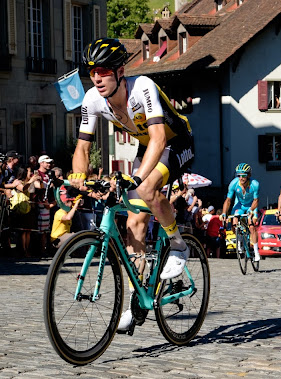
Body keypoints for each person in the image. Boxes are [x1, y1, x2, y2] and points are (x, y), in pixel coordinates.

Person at [72, 38, 195, 333]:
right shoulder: (92, 100)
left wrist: (139, 178)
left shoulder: (142, 88)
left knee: (147, 189)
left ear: (120, 71)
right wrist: (78, 176)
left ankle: (178, 244)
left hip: (175, 140)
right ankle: (137, 301)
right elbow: (82, 148)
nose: (97, 77)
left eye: (103, 70)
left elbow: (159, 139)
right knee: (134, 225)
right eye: (92, 72)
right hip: (147, 147)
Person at [221, 163, 260, 262]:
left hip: (251, 205)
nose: (241, 178)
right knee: (234, 221)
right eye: (239, 175)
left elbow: (256, 200)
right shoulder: (234, 183)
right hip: (239, 205)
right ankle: (240, 241)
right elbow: (228, 200)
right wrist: (224, 213)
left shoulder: (254, 184)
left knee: (251, 226)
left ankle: (256, 251)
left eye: (244, 175)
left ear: (249, 175)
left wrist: (251, 211)